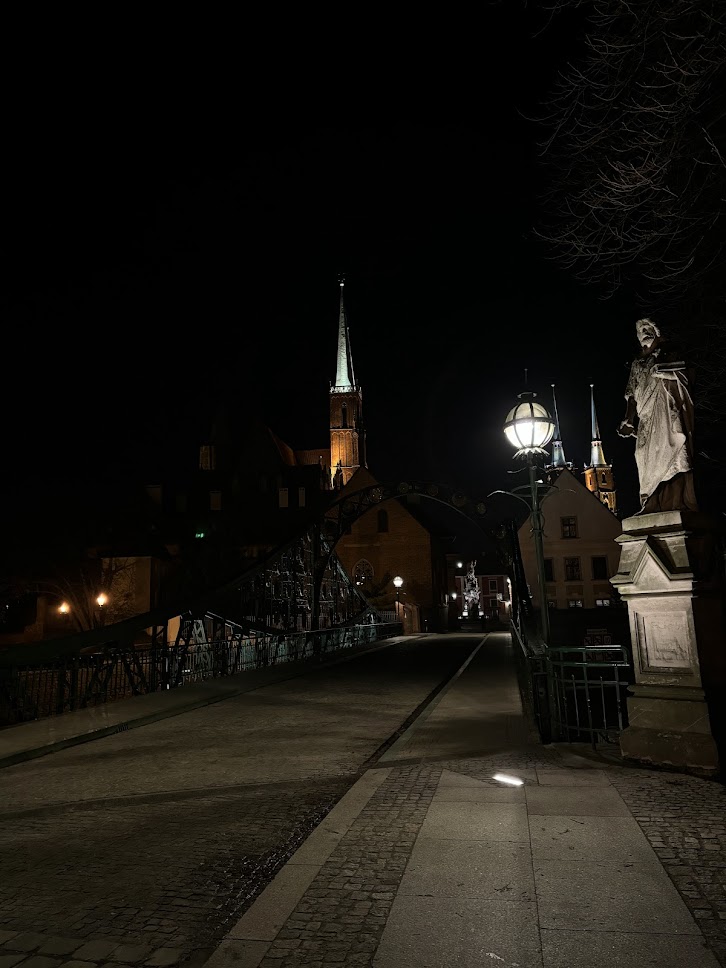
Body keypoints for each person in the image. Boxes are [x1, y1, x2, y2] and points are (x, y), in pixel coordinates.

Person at [617, 317, 698, 514]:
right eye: (641, 330)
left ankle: (674, 502)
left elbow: (687, 374)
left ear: (657, 331)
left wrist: (664, 372)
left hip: (665, 412)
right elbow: (631, 394)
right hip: (645, 417)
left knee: (673, 454)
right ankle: (650, 502)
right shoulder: (637, 364)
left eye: (647, 328)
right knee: (643, 456)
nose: (644, 332)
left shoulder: (668, 352)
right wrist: (628, 418)